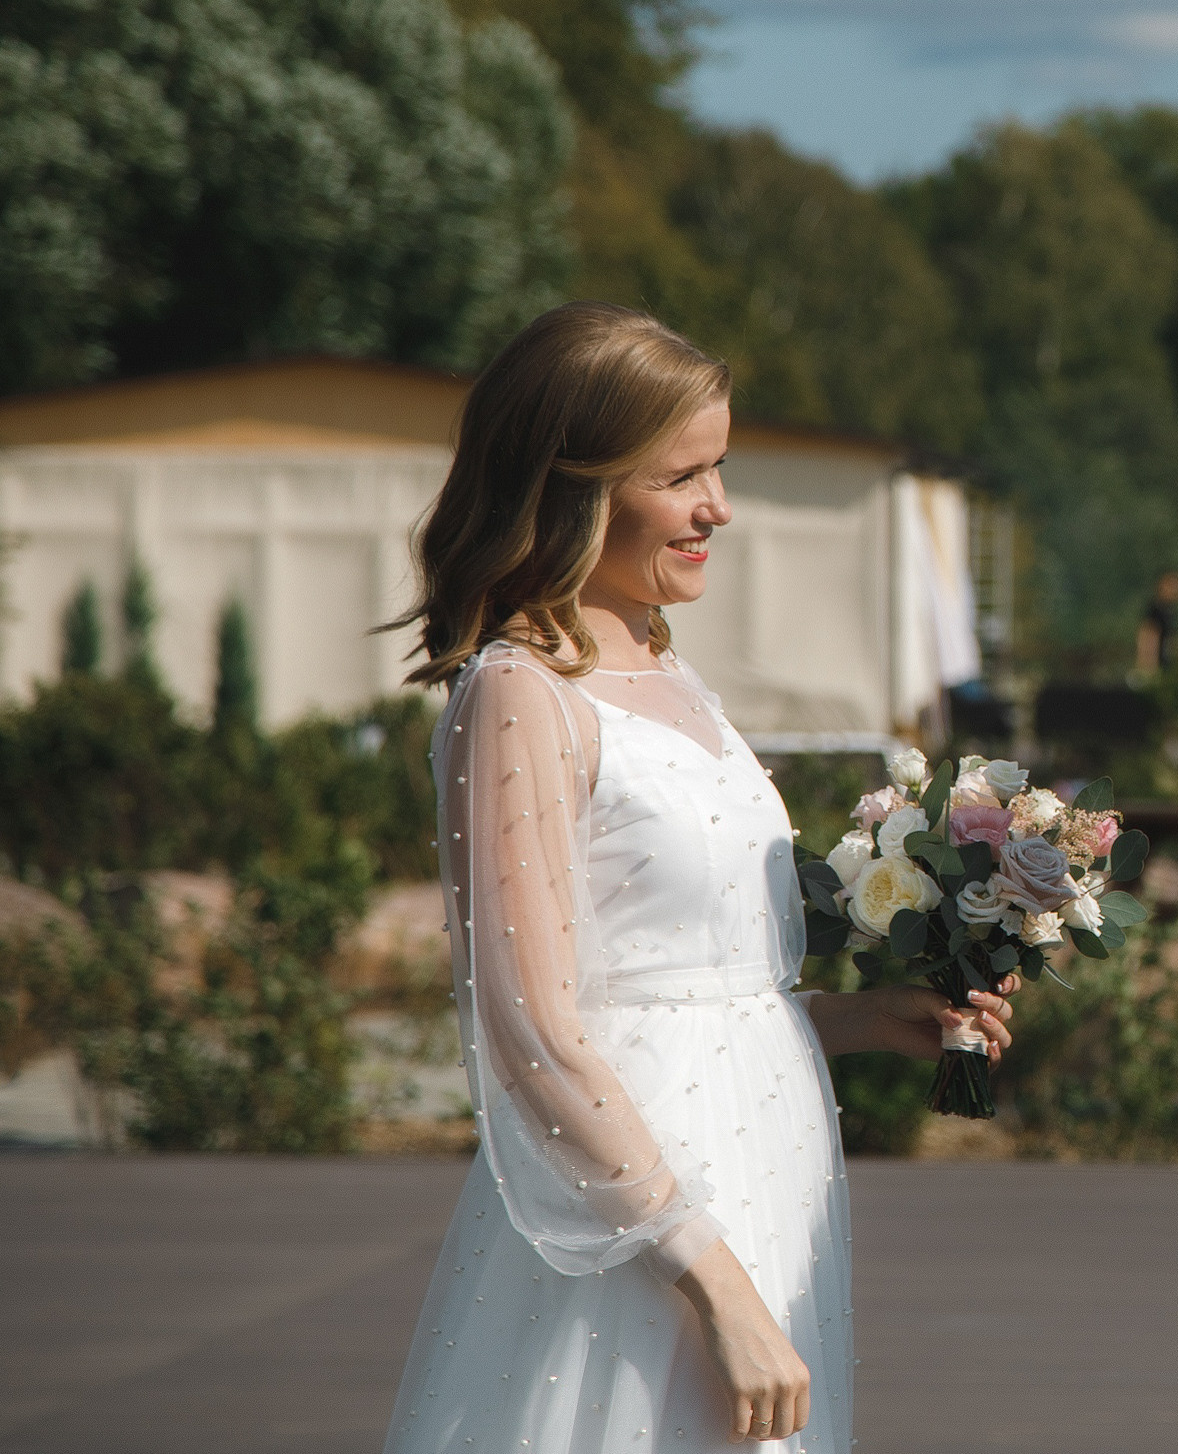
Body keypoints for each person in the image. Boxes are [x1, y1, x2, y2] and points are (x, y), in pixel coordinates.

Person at [380, 302, 1016, 1453]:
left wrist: (863, 1019)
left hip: (765, 1186)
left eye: (718, 467)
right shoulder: (522, 692)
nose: (719, 506)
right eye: (684, 475)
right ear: (576, 485)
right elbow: (535, 1031)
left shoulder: (666, 665)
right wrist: (711, 1281)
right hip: (642, 1234)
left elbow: (682, 997)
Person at [1134, 569, 1178, 675]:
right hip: (1156, 668)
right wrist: (1148, 669)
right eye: (1172, 586)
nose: (1177, 591)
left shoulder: (1170, 612)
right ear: (1162, 586)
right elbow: (1147, 640)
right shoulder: (1155, 611)